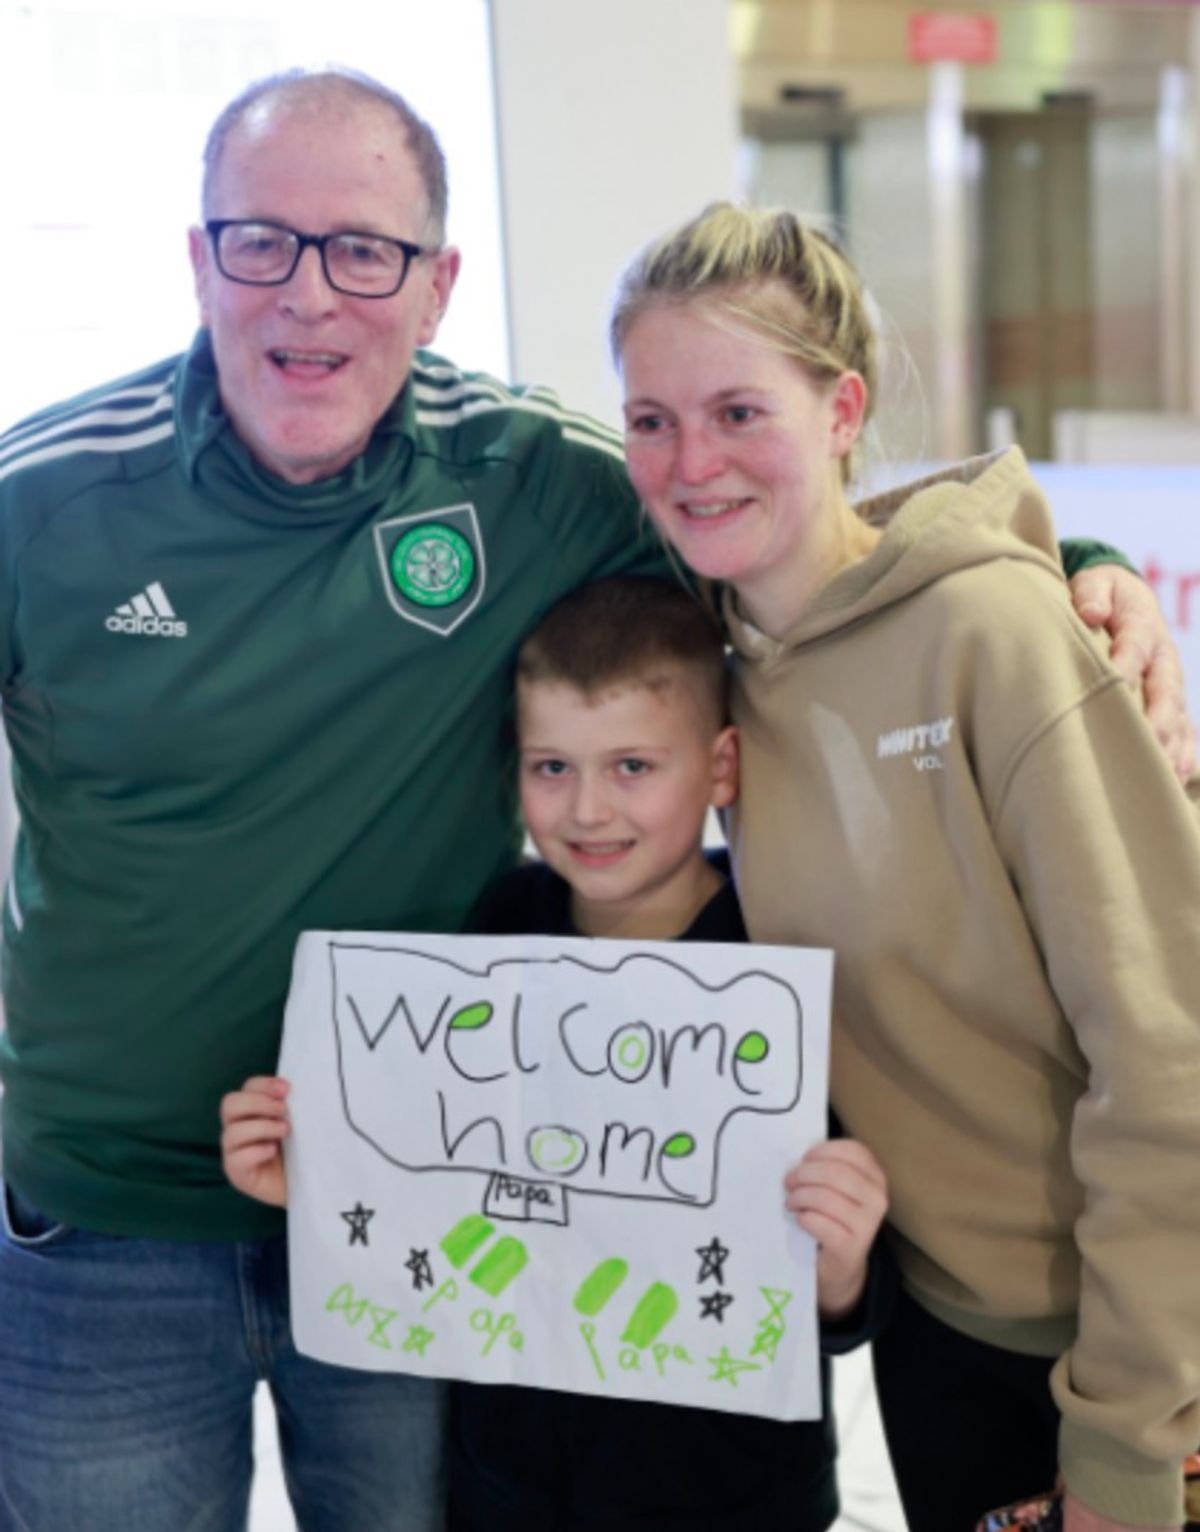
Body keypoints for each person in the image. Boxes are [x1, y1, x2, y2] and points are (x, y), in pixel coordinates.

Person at [0, 63, 1185, 1532]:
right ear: (197, 257)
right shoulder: (41, 499)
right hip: (116, 1224)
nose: (310, 293)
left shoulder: (532, 482)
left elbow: (817, 524)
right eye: (261, 240)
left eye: (363, 250)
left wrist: (1075, 577)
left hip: (457, 1229)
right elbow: (776, 497)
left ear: (437, 288)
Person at [608, 202, 1200, 1532]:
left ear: (842, 409)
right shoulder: (711, 668)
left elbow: (1169, 1055)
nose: (691, 460)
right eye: (651, 420)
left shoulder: (997, 634)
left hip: (1130, 1348)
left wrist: (1124, 1446)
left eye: (740, 412)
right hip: (941, 1341)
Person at [222, 573, 894, 1532]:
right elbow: (444, 1187)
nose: (587, 810)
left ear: (721, 766)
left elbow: (841, 1299)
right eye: (552, 768)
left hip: (732, 1495)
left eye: (632, 767)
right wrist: (316, 1177)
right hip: (507, 1487)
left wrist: (842, 1266)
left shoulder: (777, 958)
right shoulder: (499, 928)